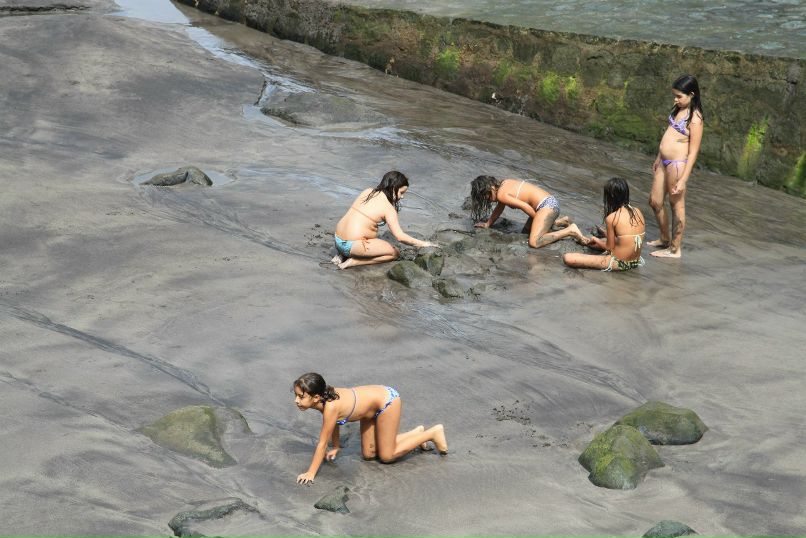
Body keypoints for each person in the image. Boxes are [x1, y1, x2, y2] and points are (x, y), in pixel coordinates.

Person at [293, 373, 448, 485]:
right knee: (369, 454)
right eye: (296, 395)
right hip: (368, 411)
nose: (296, 400)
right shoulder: (325, 400)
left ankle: (432, 433)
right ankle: (416, 434)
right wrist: (336, 446)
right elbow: (333, 423)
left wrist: (311, 473)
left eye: (301, 396)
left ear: (316, 397)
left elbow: (321, 443)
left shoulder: (330, 406)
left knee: (387, 456)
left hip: (387, 401)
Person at [648, 74, 704, 258]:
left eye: (679, 96)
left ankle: (674, 249)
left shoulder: (695, 119)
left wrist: (683, 180)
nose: (676, 99)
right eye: (675, 95)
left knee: (676, 206)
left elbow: (693, 152)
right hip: (663, 162)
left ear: (692, 95)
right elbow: (669, 134)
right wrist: (658, 157)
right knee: (655, 202)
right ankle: (664, 238)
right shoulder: (677, 109)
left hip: (677, 166)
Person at [333, 171, 435, 269]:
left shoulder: (368, 191)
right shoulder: (388, 209)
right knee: (394, 253)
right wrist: (423, 244)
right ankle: (353, 261)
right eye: (401, 192)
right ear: (394, 188)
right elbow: (400, 237)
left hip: (337, 239)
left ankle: (342, 255)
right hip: (352, 245)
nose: (402, 197)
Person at [470, 175, 586, 248]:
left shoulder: (501, 194)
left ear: (489, 189)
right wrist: (488, 224)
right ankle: (561, 222)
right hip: (549, 203)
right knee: (526, 232)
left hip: (546, 206)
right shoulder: (504, 183)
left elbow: (525, 206)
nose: (489, 201)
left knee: (534, 242)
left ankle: (571, 230)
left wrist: (541, 221)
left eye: (486, 198)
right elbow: (499, 208)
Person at [563, 177, 645, 271]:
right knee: (603, 240)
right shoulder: (638, 211)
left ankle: (590, 240)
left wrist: (595, 239)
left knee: (568, 258)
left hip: (620, 263)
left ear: (611, 197)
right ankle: (591, 241)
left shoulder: (612, 218)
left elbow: (609, 247)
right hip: (635, 261)